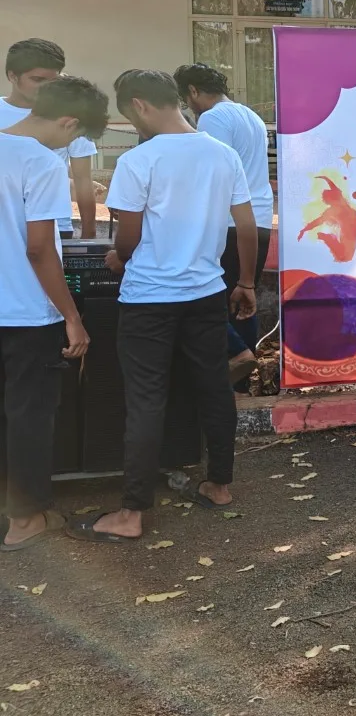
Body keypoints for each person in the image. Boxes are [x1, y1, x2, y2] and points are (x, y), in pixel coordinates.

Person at [67, 70, 256, 544]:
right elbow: (245, 224)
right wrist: (247, 282)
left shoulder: (139, 160)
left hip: (149, 299)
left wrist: (118, 256)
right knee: (214, 388)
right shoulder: (223, 154)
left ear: (139, 105)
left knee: (145, 400)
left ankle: (132, 513)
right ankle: (219, 486)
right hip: (206, 293)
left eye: (131, 117)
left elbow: (127, 238)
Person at [1, 77, 108, 551]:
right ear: (68, 123)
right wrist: (72, 316)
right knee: (29, 416)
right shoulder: (40, 162)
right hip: (27, 314)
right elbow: (40, 248)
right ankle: (25, 521)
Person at [174, 64, 273, 388]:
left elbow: (213, 171)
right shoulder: (250, 116)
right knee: (243, 295)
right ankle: (241, 380)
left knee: (210, 296)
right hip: (258, 219)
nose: (189, 108)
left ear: (192, 91)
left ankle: (233, 361)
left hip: (230, 220)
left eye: (186, 100)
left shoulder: (212, 118)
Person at [1, 39, 99, 240]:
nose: (46, 88)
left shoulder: (71, 114)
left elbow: (83, 179)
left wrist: (89, 233)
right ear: (12, 76)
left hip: (55, 223)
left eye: (53, 82)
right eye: (37, 79)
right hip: (6, 224)